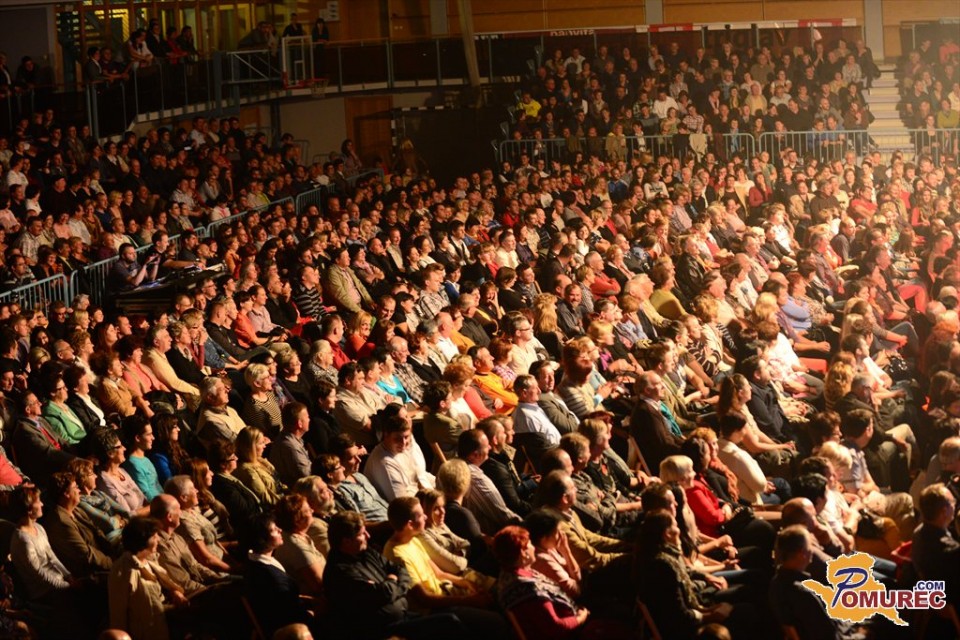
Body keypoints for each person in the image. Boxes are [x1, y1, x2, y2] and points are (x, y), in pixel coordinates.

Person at [323, 510, 465, 639]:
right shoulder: (339, 573)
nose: (368, 536)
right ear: (346, 541)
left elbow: (401, 571)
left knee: (456, 617)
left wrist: (389, 584)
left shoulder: (366, 552)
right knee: (449, 622)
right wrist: (392, 580)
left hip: (405, 615)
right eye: (362, 534)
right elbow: (382, 594)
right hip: (382, 630)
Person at [493, 524, 590, 640]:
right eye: (530, 544)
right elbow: (555, 627)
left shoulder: (510, 574)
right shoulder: (527, 588)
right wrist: (580, 618)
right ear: (523, 552)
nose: (533, 548)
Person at [242, 513, 315, 638]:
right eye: (274, 530)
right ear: (262, 539)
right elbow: (291, 614)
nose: (280, 530)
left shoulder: (253, 560)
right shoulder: (273, 578)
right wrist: (312, 613)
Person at [769, 525, 844, 639]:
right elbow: (830, 635)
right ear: (802, 553)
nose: (812, 550)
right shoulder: (804, 594)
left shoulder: (775, 584)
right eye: (810, 546)